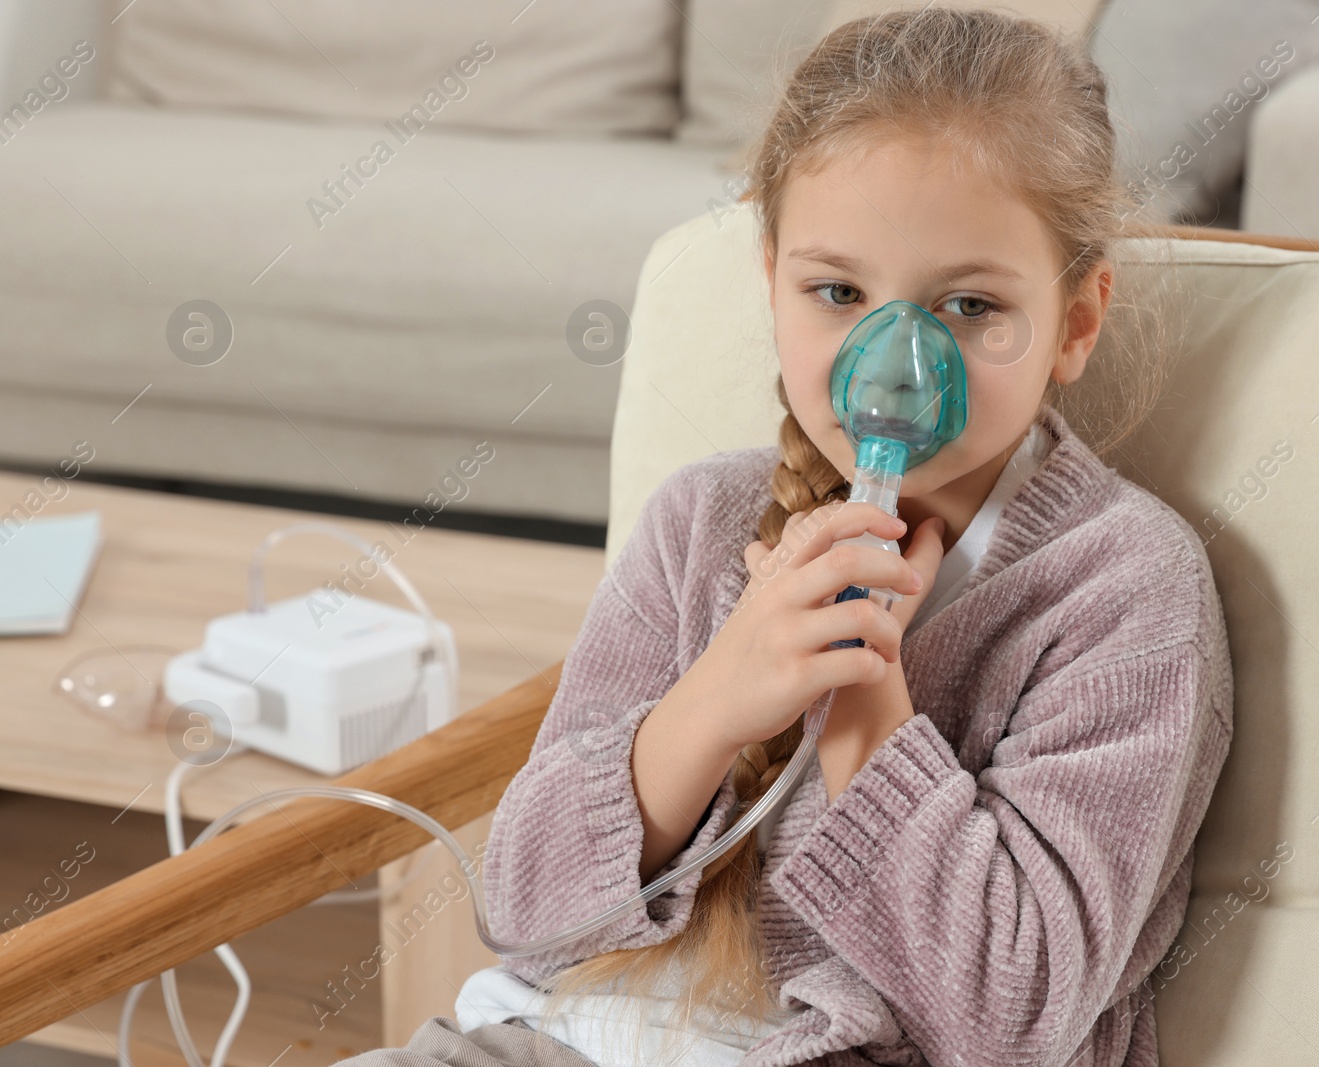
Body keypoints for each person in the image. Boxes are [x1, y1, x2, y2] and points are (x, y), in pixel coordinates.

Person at [335, 7, 1233, 1066]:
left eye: (968, 305)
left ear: (1076, 321)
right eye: (838, 291)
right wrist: (716, 697)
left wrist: (862, 697)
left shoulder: (1123, 594)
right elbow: (528, 908)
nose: (897, 363)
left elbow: (1007, 1017)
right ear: (771, 282)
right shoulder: (701, 524)